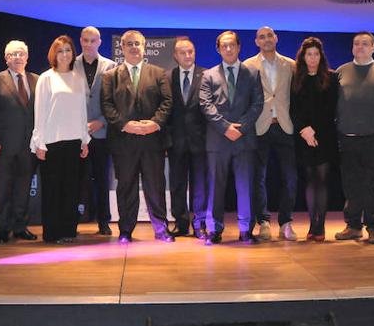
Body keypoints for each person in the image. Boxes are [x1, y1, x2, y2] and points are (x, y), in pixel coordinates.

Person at [101, 30, 174, 243]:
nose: (134, 47)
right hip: (124, 142)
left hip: (153, 141)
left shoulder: (159, 73)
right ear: (122, 48)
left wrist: (155, 123)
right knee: (126, 187)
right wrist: (125, 125)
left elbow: (167, 102)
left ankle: (161, 229)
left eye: (138, 44)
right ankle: (125, 231)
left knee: (156, 186)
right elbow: (106, 105)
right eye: (129, 44)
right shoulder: (110, 76)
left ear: (144, 47)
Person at [199, 31, 264, 245]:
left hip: (244, 140)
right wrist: (226, 127)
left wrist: (241, 128)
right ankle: (214, 230)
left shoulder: (252, 73)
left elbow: (257, 104)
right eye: (224, 46)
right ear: (218, 49)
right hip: (218, 141)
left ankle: (246, 230)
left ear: (238, 47)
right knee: (215, 187)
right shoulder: (208, 75)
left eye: (232, 45)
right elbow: (205, 106)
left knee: (245, 187)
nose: (228, 49)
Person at [31, 35, 90, 243]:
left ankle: (67, 230)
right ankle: (52, 233)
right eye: (60, 51)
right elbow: (40, 112)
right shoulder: (46, 78)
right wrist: (39, 143)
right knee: (53, 189)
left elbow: (82, 112)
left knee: (70, 189)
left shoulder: (78, 78)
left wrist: (85, 139)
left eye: (68, 50)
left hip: (75, 141)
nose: (65, 54)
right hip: (52, 142)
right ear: (53, 55)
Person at [334, 32, 374, 245]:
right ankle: (353, 226)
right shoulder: (342, 71)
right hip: (347, 138)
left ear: (373, 47)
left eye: (365, 44)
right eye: (356, 44)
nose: (360, 47)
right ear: (352, 48)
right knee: (351, 184)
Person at [243, 26, 298, 241]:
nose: (266, 40)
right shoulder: (248, 66)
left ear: (276, 38)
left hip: (285, 125)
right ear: (256, 41)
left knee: (290, 178)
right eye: (262, 37)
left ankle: (286, 222)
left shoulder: (291, 65)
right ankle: (263, 222)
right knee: (258, 177)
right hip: (259, 127)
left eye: (270, 36)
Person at [0, 40, 39, 244]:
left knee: (23, 189)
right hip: (3, 146)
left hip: (29, 146)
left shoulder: (37, 80)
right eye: (13, 54)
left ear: (27, 57)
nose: (18, 57)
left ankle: (20, 227)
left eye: (21, 54)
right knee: (4, 188)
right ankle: (2, 229)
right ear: (6, 58)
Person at [290, 37, 338, 242]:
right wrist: (304, 130)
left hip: (325, 136)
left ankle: (320, 225)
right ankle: (312, 223)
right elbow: (293, 108)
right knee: (310, 179)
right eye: (309, 54)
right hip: (303, 137)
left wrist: (315, 130)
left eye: (316, 54)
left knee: (322, 179)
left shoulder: (331, 78)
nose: (313, 58)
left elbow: (331, 108)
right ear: (303, 57)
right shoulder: (295, 79)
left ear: (321, 56)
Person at [73, 26, 116, 236]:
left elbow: (116, 101)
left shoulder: (111, 66)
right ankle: (72, 220)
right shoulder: (70, 65)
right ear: (80, 41)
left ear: (99, 42)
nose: (89, 44)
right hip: (76, 132)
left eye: (93, 40)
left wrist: (101, 121)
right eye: (85, 40)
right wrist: (80, 124)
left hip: (101, 132)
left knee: (101, 178)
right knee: (75, 179)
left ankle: (104, 221)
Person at [167, 37, 208, 239]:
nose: (187, 55)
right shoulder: (167, 77)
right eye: (182, 52)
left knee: (200, 185)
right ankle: (181, 223)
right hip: (175, 142)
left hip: (200, 141)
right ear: (175, 56)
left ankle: (199, 224)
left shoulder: (207, 75)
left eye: (190, 51)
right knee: (177, 184)